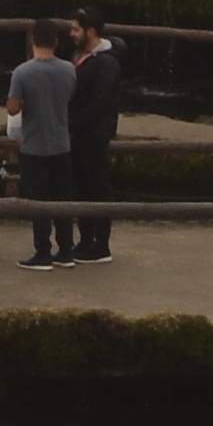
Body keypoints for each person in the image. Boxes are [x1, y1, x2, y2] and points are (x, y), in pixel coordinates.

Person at [9, 25, 85, 268]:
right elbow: (70, 95)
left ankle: (43, 251)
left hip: (34, 146)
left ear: (33, 40)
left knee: (39, 202)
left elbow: (13, 108)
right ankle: (66, 249)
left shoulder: (22, 72)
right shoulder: (68, 69)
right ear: (56, 41)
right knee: (63, 199)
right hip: (61, 144)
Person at [64, 23, 126, 265]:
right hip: (80, 131)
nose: (71, 34)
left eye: (76, 29)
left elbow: (101, 102)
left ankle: (101, 244)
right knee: (82, 185)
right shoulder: (80, 56)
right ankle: (85, 238)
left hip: (95, 132)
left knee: (97, 186)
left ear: (90, 31)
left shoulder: (107, 62)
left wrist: (75, 122)